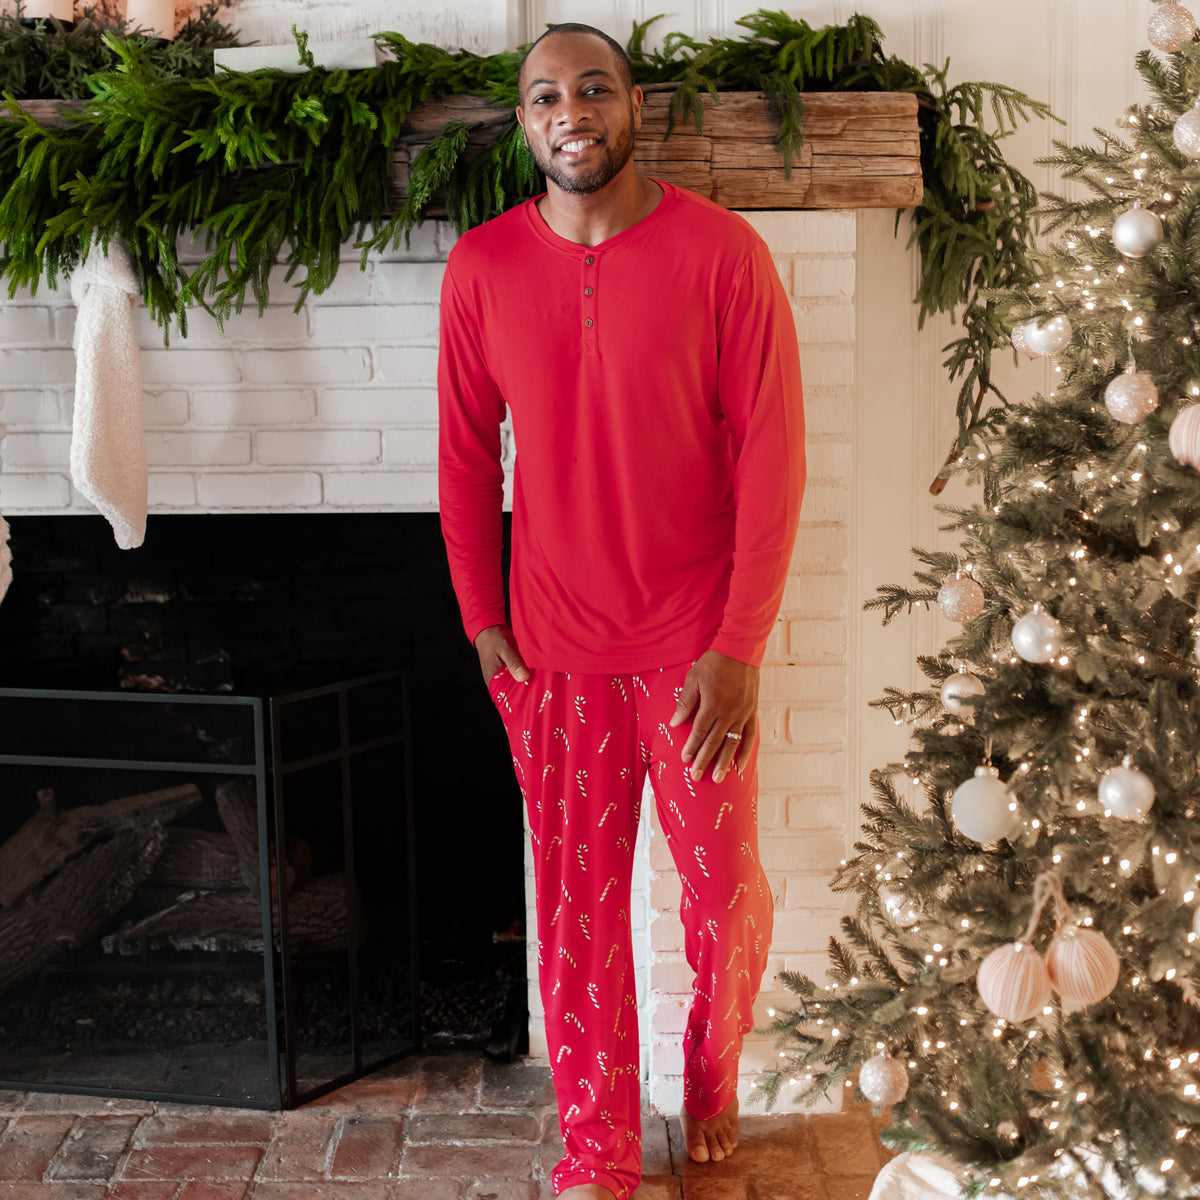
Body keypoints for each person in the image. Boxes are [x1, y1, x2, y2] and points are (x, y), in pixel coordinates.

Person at [437, 22, 805, 1200]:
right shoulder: (483, 268)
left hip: (697, 651)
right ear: (525, 123)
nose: (571, 109)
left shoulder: (722, 254)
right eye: (546, 95)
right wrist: (481, 622)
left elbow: (774, 458)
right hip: (551, 657)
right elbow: (458, 457)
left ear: (631, 105)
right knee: (577, 917)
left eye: (593, 87)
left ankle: (709, 1072)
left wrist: (739, 646)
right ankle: (594, 1151)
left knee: (724, 895)